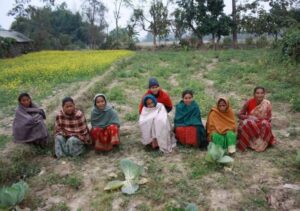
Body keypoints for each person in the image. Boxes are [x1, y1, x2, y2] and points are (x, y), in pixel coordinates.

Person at [237, 86, 276, 152]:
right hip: (251, 124)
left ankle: (263, 142)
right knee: (247, 122)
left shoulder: (267, 103)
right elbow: (240, 114)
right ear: (254, 94)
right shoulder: (249, 102)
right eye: (257, 93)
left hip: (261, 124)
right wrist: (249, 117)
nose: (259, 95)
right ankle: (248, 142)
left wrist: (262, 120)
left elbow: (269, 118)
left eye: (261, 93)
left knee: (265, 123)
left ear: (264, 94)